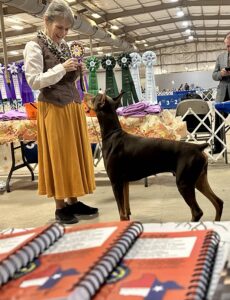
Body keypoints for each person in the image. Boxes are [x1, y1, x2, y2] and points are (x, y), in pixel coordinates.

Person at [23, 0, 98, 224]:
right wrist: (61, 67)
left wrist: (76, 72)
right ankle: (59, 206)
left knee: (72, 154)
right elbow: (34, 81)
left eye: (66, 29)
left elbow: (65, 79)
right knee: (58, 155)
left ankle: (73, 201)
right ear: (46, 21)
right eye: (59, 28)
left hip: (72, 107)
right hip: (53, 108)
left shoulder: (65, 47)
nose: (63, 33)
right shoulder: (33, 46)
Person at [212, 32, 230, 154]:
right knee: (218, 120)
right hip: (222, 93)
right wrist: (221, 74)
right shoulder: (220, 57)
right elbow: (214, 75)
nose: (228, 48)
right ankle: (218, 146)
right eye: (227, 46)